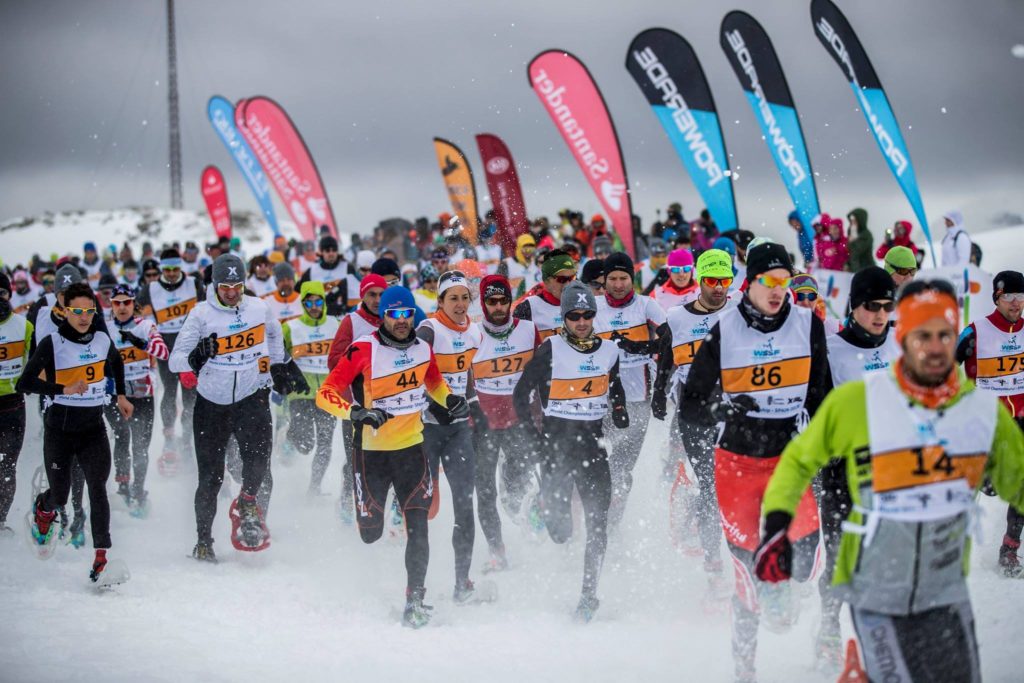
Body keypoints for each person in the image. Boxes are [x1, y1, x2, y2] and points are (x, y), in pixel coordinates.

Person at [755, 279, 1024, 683]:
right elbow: (796, 462)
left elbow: (1018, 481)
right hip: (874, 590)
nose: (934, 348)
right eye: (922, 335)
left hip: (946, 592)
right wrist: (776, 525)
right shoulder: (855, 402)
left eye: (944, 335)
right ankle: (833, 631)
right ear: (904, 337)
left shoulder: (980, 411)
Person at [679, 242, 830, 682]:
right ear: (750, 283)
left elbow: (821, 398)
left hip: (790, 460)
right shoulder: (724, 330)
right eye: (769, 281)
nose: (778, 289)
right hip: (737, 464)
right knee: (745, 568)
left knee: (805, 561)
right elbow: (690, 405)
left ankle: (787, 590)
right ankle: (744, 668)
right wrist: (718, 410)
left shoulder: (809, 326)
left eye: (784, 280)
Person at [316, 285, 458, 628]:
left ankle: (415, 599)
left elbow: (434, 382)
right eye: (393, 314)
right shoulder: (363, 349)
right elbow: (325, 394)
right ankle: (373, 517)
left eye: (406, 314)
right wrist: (356, 413)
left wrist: (449, 398)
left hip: (412, 449)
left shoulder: (423, 348)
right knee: (370, 533)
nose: (400, 321)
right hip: (371, 455)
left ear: (413, 314)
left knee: (419, 528)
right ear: (383, 316)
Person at [169, 254, 301, 561]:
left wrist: (280, 365)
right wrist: (198, 355)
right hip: (212, 404)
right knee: (210, 479)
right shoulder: (201, 314)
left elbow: (274, 333)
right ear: (214, 285)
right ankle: (203, 541)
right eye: (225, 286)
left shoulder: (259, 307)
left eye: (237, 285)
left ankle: (247, 502)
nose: (231, 292)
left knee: (259, 465)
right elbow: (176, 359)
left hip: (251, 396)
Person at [513, 281, 628, 622]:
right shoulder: (550, 350)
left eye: (587, 315)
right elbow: (521, 395)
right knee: (561, 533)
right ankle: (542, 502)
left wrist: (619, 408)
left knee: (598, 523)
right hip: (555, 450)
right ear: (564, 317)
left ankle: (589, 594)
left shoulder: (609, 351)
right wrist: (534, 439)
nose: (581, 321)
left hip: (592, 448)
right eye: (574, 316)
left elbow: (615, 384)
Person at [814, 266, 898, 668]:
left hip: (894, 469)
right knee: (839, 559)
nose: (879, 314)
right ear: (853, 306)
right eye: (870, 306)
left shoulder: (902, 343)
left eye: (886, 306)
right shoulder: (832, 350)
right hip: (842, 472)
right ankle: (829, 626)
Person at [19, 282, 132, 582]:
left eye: (90, 311)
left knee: (98, 490)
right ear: (65, 311)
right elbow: (24, 383)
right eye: (78, 311)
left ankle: (101, 559)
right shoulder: (52, 344)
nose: (84, 317)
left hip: (93, 429)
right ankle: (44, 510)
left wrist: (120, 395)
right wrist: (61, 388)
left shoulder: (101, 341)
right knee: (60, 495)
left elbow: (117, 363)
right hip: (60, 430)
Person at [651, 249, 735, 595]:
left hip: (733, 412)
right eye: (712, 281)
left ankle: (736, 547)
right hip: (694, 412)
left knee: (732, 486)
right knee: (712, 486)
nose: (719, 288)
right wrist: (658, 393)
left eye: (725, 281)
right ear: (700, 281)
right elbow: (666, 359)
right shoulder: (677, 317)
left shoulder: (740, 308)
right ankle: (714, 562)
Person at [416, 271, 485, 602]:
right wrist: (435, 403)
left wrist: (474, 407)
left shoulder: (474, 332)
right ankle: (417, 583)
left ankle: (462, 581)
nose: (459, 305)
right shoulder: (428, 330)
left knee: (464, 504)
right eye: (452, 298)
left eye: (464, 298)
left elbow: (468, 373)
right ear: (440, 301)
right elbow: (412, 375)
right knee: (420, 508)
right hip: (425, 428)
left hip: (457, 430)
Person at [470, 274, 541, 571]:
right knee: (486, 492)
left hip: (518, 423)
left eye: (503, 301)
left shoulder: (528, 330)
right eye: (492, 301)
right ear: (483, 303)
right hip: (483, 426)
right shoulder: (472, 334)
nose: (498, 307)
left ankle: (530, 543)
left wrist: (540, 415)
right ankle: (496, 551)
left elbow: (542, 373)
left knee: (517, 490)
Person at [956, 270, 1024, 577]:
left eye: (1021, 298)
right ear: (997, 298)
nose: (1016, 304)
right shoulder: (976, 331)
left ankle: (1009, 549)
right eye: (1010, 297)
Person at [595, 252, 667, 528]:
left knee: (622, 470)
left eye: (623, 278)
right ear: (604, 280)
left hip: (638, 402)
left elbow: (669, 340)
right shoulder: (594, 307)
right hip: (599, 403)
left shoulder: (647, 306)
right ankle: (594, 518)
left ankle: (612, 525)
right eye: (612, 278)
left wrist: (636, 347)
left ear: (632, 278)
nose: (618, 284)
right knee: (597, 466)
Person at [135, 248, 204, 471]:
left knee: (190, 395)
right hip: (166, 349)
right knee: (169, 391)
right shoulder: (150, 289)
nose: (173, 273)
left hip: (191, 349)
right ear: (161, 269)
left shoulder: (194, 284)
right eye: (168, 269)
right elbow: (141, 320)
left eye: (176, 268)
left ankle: (187, 437)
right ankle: (168, 437)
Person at [327, 274, 387, 519]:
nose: (377, 300)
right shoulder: (352, 321)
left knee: (387, 457)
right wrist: (359, 367)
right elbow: (334, 361)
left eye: (382, 295)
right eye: (371, 295)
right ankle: (348, 502)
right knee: (357, 458)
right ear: (362, 295)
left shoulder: (395, 318)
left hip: (387, 403)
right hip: (355, 404)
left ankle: (383, 506)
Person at [106, 284, 169, 514]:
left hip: (143, 395)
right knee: (122, 436)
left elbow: (164, 353)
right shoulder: (105, 329)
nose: (122, 307)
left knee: (141, 446)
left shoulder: (146, 326)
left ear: (133, 304)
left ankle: (138, 490)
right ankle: (123, 486)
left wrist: (142, 344)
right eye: (117, 303)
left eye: (126, 302)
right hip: (115, 395)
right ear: (111, 305)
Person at [281, 281, 338, 496]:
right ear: (303, 304)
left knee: (325, 443)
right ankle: (290, 437)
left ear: (324, 301)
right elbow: (277, 354)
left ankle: (314, 487)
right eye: (309, 302)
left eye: (318, 301)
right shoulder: (290, 327)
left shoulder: (336, 324)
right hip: (300, 393)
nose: (314, 306)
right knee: (306, 445)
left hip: (327, 393)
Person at [0, 273, 33, 535]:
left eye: (1, 293)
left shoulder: (24, 326)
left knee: (8, 466)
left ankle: (1, 520)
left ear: (9, 295)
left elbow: (36, 364)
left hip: (12, 405)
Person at [512, 249, 577, 340]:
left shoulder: (582, 302)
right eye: (562, 279)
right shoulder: (528, 308)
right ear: (547, 280)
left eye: (572, 278)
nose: (568, 284)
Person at [299, 235, 350, 316]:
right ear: (322, 252)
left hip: (343, 316)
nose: (331, 253)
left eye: (334, 250)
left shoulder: (347, 267)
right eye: (327, 250)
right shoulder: (313, 270)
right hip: (320, 317)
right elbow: (298, 290)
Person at [501, 234, 539, 298]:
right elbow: (498, 284)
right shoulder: (507, 263)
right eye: (525, 249)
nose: (528, 252)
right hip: (514, 302)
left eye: (531, 249)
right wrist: (511, 283)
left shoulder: (537, 263)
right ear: (519, 248)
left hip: (534, 301)